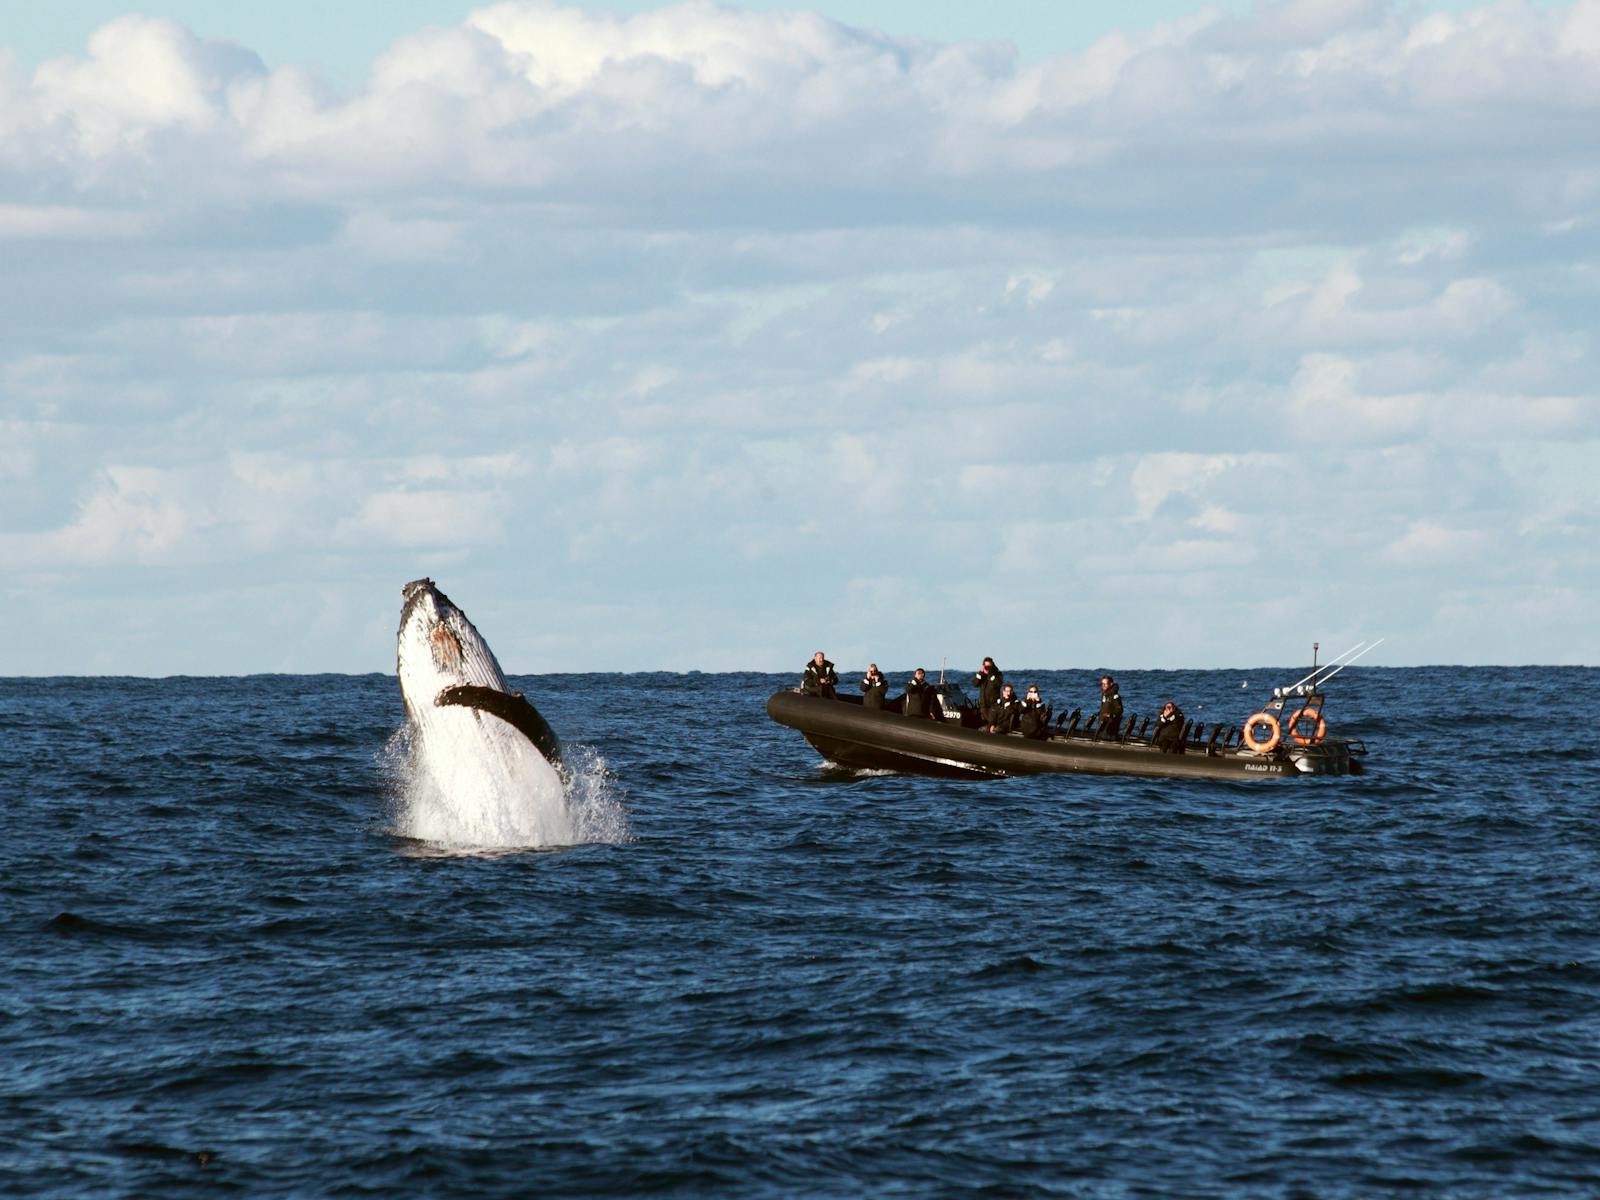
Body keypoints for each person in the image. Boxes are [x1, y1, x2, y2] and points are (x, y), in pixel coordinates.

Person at [973, 657, 1004, 726]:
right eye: (986, 666)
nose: (987, 668)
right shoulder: (981, 675)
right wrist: (981, 673)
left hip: (993, 704)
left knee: (992, 722)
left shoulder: (997, 674)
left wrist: (991, 674)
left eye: (989, 666)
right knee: (984, 723)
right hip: (983, 704)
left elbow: (999, 683)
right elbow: (975, 684)